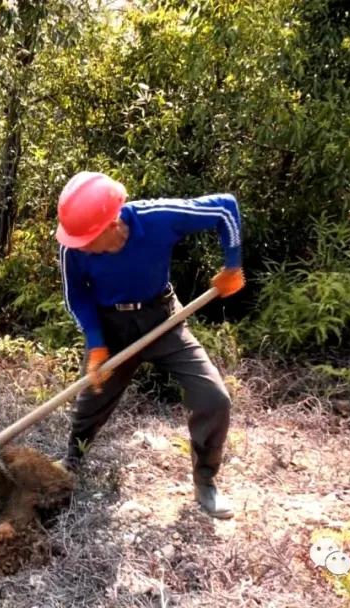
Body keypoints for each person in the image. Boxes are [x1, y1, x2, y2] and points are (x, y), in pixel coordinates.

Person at [55, 171, 244, 519]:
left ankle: (205, 482)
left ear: (111, 224)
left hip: (163, 322)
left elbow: (225, 209)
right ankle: (71, 462)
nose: (78, 245)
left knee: (214, 398)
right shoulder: (73, 246)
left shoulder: (157, 218)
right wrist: (96, 343)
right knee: (90, 402)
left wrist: (233, 264)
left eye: (85, 238)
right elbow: (76, 297)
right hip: (111, 329)